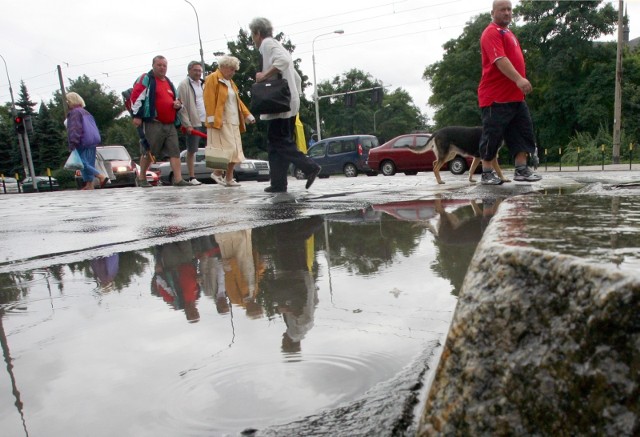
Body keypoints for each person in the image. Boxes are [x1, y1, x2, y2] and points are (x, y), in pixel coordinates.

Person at [249, 17, 321, 193]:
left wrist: (264, 76)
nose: (253, 39)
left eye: (253, 35)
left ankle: (310, 166)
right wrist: (295, 96)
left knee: (279, 141)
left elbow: (284, 61)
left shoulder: (267, 44)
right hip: (286, 102)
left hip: (279, 104)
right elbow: (295, 76)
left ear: (258, 33)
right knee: (275, 145)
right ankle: (278, 183)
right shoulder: (275, 44)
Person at [477, 0, 541, 185]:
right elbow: (500, 59)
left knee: (523, 132)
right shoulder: (491, 32)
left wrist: (519, 84)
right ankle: (487, 172)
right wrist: (519, 79)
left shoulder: (509, 33)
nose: (507, 13)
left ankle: (521, 169)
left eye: (509, 9)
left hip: (515, 97)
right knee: (492, 135)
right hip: (495, 97)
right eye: (502, 9)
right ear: (493, 12)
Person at [130, 55, 192, 187]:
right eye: (159, 65)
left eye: (164, 65)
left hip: (170, 123)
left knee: (174, 151)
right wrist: (137, 115)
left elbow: (177, 99)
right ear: (153, 65)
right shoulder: (146, 79)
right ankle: (141, 178)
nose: (162, 68)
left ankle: (178, 179)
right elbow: (136, 96)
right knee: (149, 150)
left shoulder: (169, 82)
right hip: (154, 122)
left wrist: (178, 104)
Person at [203, 55, 255, 187]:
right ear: (223, 67)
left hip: (234, 121)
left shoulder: (231, 84)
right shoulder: (212, 79)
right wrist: (211, 120)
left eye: (234, 70)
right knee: (229, 150)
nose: (233, 72)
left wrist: (247, 115)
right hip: (221, 121)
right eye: (231, 69)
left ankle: (228, 178)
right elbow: (208, 100)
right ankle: (217, 172)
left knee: (236, 151)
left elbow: (237, 101)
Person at [65, 92, 108, 190]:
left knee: (81, 162)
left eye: (67, 101)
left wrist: (73, 143)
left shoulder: (74, 113)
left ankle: (100, 176)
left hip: (82, 140)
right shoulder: (85, 112)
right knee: (89, 162)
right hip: (93, 139)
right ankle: (89, 184)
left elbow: (75, 128)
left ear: (70, 101)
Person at [178, 61, 206, 185]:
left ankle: (218, 172)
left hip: (206, 119)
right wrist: (186, 124)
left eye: (200, 71)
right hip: (193, 121)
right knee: (192, 149)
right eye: (195, 70)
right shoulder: (184, 85)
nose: (198, 73)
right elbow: (181, 107)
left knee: (212, 147)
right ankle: (192, 176)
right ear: (189, 70)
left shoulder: (203, 84)